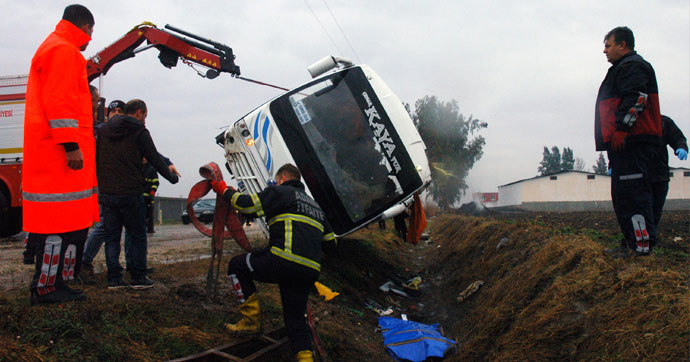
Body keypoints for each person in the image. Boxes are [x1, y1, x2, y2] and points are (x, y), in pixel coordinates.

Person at [209, 163, 335, 362]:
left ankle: (251, 321)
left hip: (281, 261)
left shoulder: (280, 191)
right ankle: (305, 358)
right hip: (309, 272)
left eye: (277, 181)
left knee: (236, 266)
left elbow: (245, 204)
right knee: (295, 319)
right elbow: (331, 242)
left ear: (282, 179)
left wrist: (224, 190)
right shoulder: (315, 206)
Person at [22, 4, 98, 305]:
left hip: (53, 154)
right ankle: (46, 288)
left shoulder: (53, 47)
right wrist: (70, 145)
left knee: (63, 225)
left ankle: (53, 283)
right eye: (91, 32)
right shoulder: (64, 51)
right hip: (60, 157)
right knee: (58, 226)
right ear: (86, 27)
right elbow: (60, 101)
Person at [595, 26, 662, 257]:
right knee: (624, 197)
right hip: (622, 146)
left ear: (622, 44)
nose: (605, 51)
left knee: (633, 196)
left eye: (608, 45)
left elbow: (637, 97)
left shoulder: (632, 65)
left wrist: (623, 129)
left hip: (632, 143)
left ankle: (641, 249)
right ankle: (632, 244)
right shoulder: (621, 68)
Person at [97, 99, 178, 289]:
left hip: (108, 192)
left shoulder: (104, 130)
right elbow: (153, 157)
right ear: (140, 113)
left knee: (112, 237)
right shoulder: (139, 131)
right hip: (130, 191)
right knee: (137, 235)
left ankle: (114, 279)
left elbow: (97, 157)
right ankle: (138, 276)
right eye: (145, 116)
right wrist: (171, 176)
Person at [648, 115, 687, 235]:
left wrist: (682, 147)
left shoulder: (663, 122)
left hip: (660, 174)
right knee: (640, 209)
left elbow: (677, 137)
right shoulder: (632, 122)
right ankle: (637, 239)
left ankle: (651, 236)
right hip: (639, 175)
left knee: (656, 209)